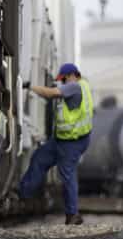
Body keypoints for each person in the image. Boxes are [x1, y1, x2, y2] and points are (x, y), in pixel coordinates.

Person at [18, 63, 95, 225]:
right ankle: (23, 194)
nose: (63, 82)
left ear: (72, 75)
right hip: (62, 140)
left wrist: (30, 87)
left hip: (72, 143)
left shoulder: (74, 86)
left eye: (64, 79)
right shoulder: (79, 86)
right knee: (39, 158)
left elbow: (52, 93)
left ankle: (73, 215)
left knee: (67, 175)